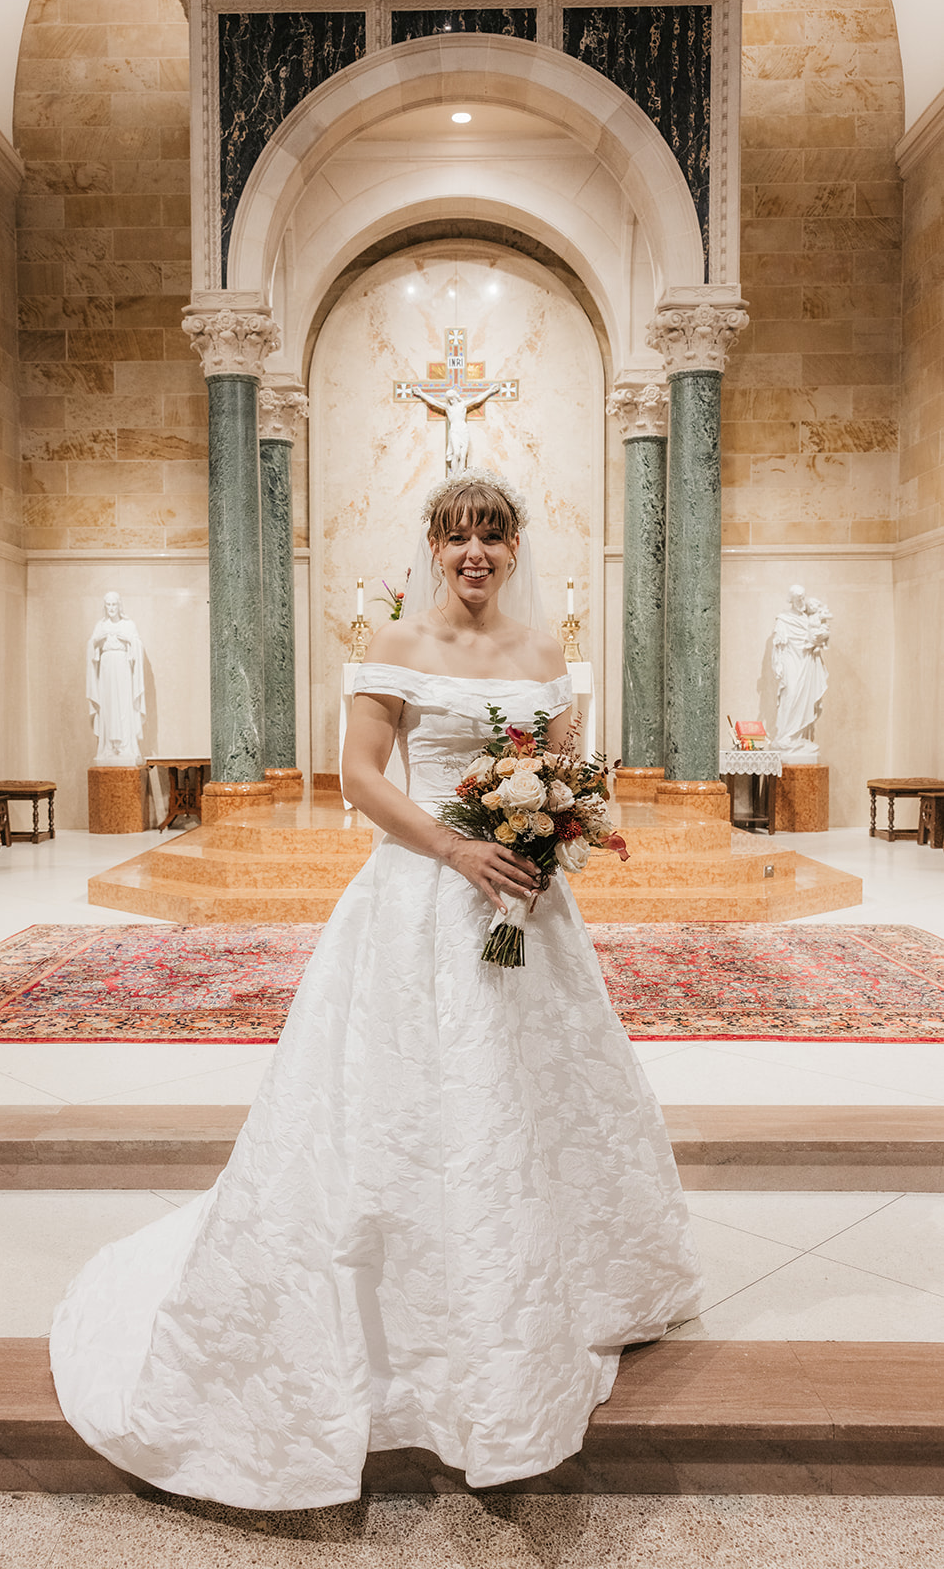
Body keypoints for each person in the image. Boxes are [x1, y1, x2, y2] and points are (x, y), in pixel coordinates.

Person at [50, 470, 702, 1510]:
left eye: (491, 535)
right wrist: (457, 848)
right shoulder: (395, 646)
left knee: (531, 1098)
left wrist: (551, 825)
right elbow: (358, 774)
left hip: (525, 903)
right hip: (420, 898)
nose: (474, 553)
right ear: (433, 549)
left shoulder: (544, 654)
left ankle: (550, 1280)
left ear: (514, 548)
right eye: (457, 537)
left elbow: (571, 768)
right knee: (406, 1103)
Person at [771, 583, 831, 763]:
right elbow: (778, 646)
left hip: (806, 663)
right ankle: (785, 736)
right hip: (791, 662)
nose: (802, 602)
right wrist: (778, 666)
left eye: (803, 598)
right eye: (798, 599)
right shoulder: (783, 620)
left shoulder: (807, 619)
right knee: (790, 695)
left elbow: (816, 637)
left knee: (804, 698)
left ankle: (796, 738)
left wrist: (819, 640)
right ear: (792, 600)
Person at [86, 591, 146, 765]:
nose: (111, 608)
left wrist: (129, 641)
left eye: (114, 605)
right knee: (108, 705)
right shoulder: (100, 625)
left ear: (119, 606)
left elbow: (137, 647)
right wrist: (97, 641)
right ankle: (108, 748)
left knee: (123, 704)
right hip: (106, 668)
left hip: (122, 667)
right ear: (105, 607)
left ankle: (127, 747)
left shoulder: (129, 625)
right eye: (108, 605)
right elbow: (91, 646)